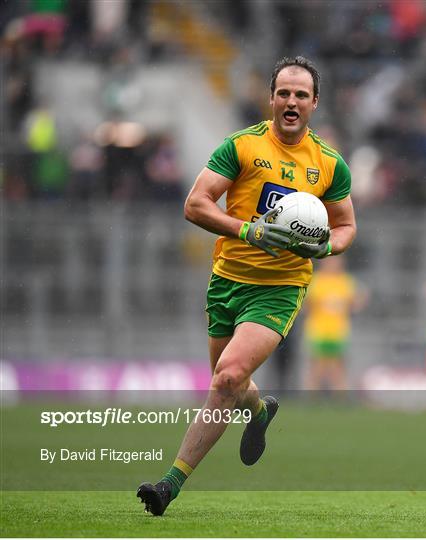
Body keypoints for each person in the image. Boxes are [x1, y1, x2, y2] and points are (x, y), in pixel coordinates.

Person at [137, 56, 357, 516]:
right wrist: (248, 231)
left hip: (280, 288)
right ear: (271, 98)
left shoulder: (330, 164)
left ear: (314, 103)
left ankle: (168, 485)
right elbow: (195, 204)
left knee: (229, 376)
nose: (291, 101)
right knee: (231, 383)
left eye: (301, 94)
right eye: (284, 93)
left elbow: (346, 225)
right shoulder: (241, 147)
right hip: (227, 281)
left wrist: (326, 249)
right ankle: (258, 411)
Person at [304, 255, 368, 391]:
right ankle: (311, 397)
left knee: (337, 366)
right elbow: (306, 303)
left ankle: (339, 397)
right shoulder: (316, 280)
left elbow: (357, 300)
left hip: (338, 330)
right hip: (318, 329)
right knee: (317, 366)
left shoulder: (345, 281)